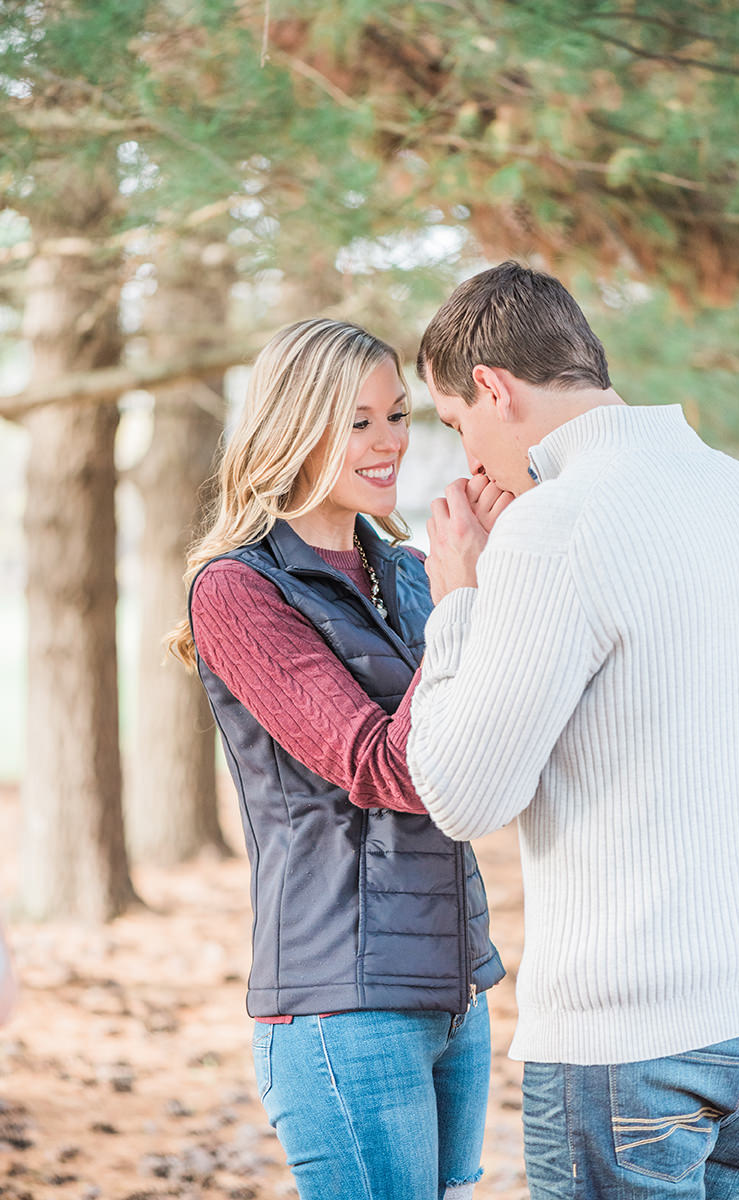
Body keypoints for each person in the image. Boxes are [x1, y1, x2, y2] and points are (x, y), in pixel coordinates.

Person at [406, 261, 739, 1199]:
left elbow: (463, 796)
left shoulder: (558, 526)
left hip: (629, 1031)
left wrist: (458, 592)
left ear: (494, 388)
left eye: (459, 424)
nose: (467, 464)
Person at [166, 317, 507, 1200]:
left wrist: (491, 573)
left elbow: (480, 735)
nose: (390, 440)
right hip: (340, 1005)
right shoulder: (238, 589)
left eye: (397, 415)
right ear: (294, 426)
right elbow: (383, 768)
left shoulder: (403, 570)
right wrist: (462, 589)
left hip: (451, 988)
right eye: (358, 421)